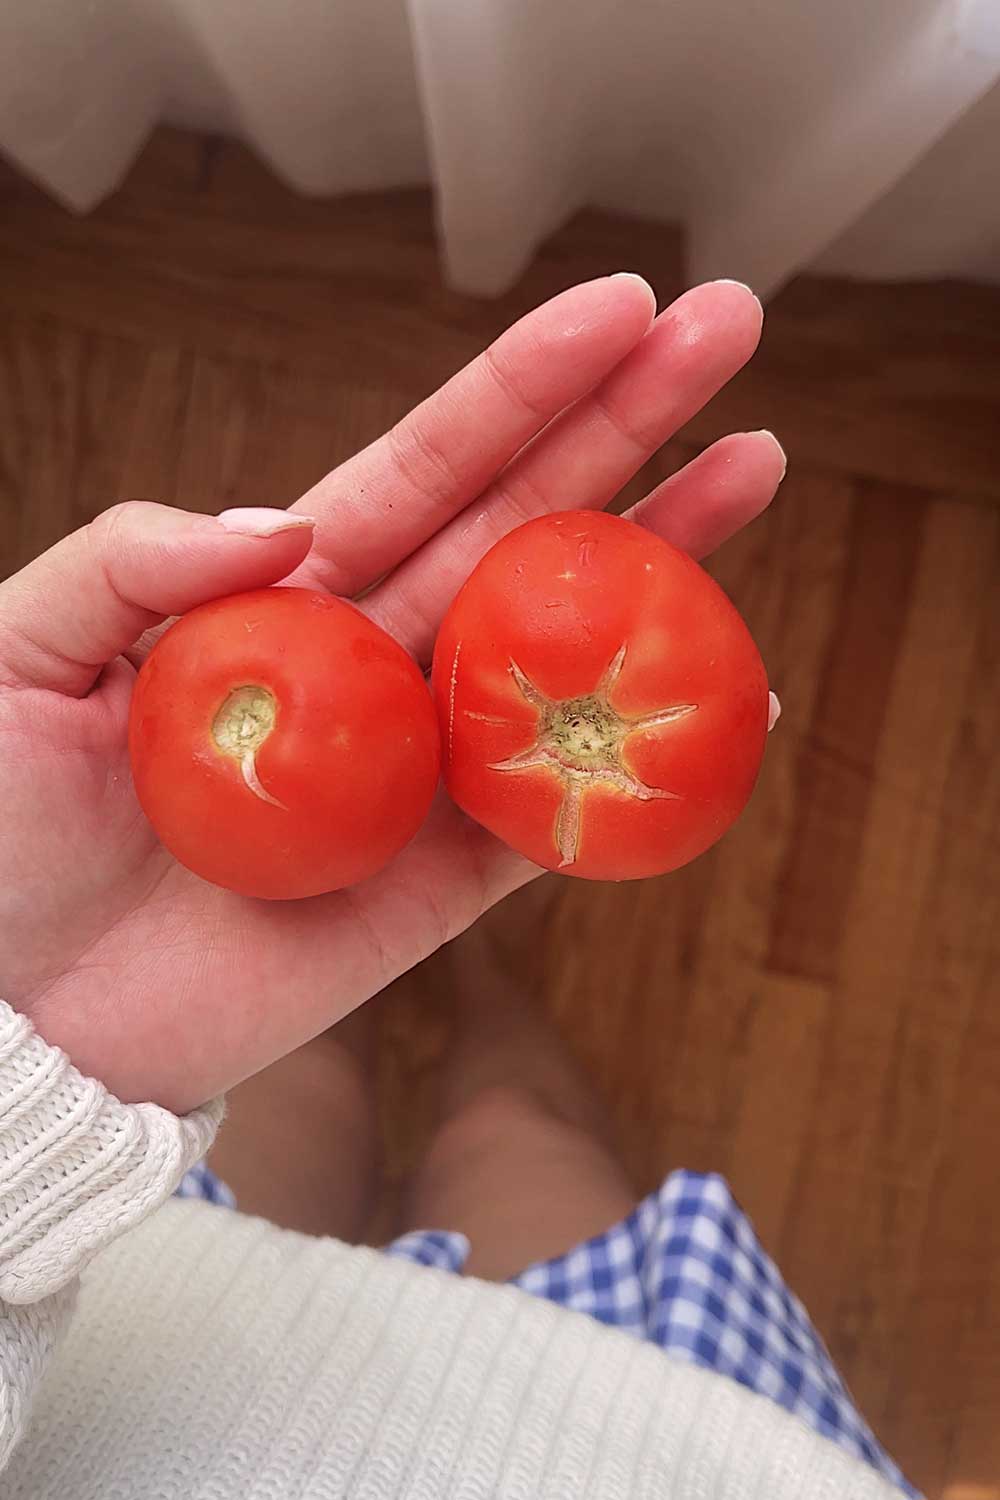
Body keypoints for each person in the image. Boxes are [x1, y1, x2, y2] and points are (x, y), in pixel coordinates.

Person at [0, 276, 913, 1498]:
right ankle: (469, 979)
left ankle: (385, 948)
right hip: (659, 1432)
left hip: (165, 1311)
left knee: (306, 1089)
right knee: (517, 1129)